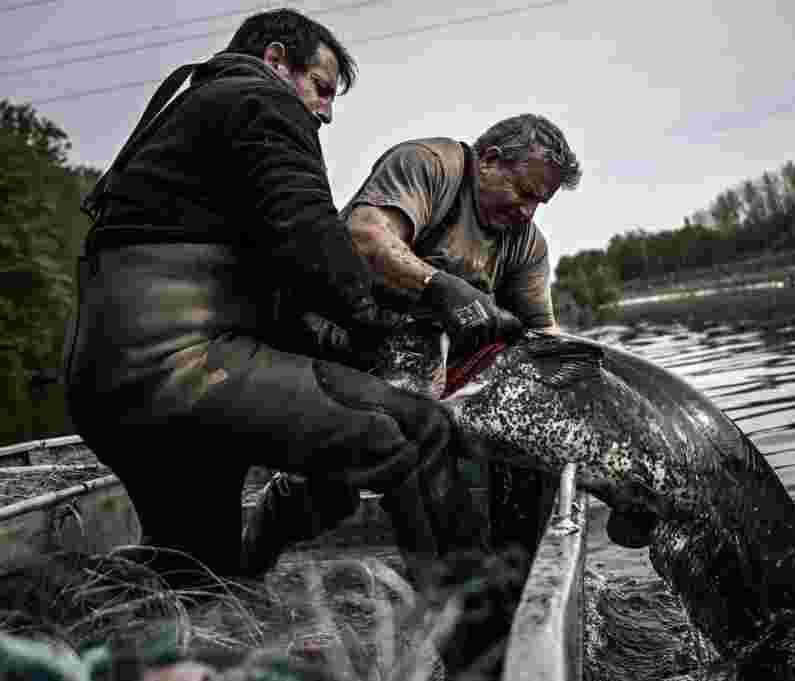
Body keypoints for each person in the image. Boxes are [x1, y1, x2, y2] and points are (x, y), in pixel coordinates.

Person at [63, 8, 502, 600]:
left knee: (199, 575)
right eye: (321, 88)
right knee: (413, 431)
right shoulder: (262, 102)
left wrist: (333, 342)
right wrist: (407, 311)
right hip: (181, 372)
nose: (324, 109)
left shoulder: (193, 115)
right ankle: (478, 638)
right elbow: (311, 243)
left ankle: (128, 593)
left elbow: (270, 285)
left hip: (109, 389)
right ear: (276, 61)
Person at [314, 114, 583, 552]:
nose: (527, 211)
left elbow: (545, 344)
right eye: (524, 192)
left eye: (540, 203)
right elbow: (365, 238)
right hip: (340, 348)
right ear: (490, 160)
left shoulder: (525, 243)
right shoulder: (430, 166)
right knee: (328, 496)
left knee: (525, 440)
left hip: (432, 381)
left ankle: (509, 580)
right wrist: (439, 286)